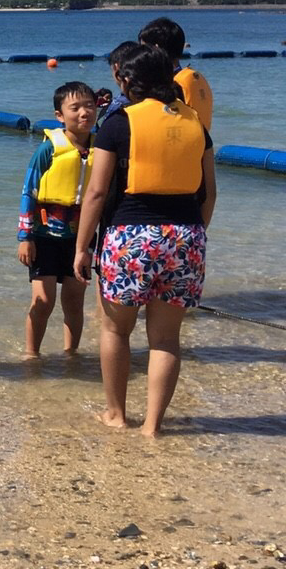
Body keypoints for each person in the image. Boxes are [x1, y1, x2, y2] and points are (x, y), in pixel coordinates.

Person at [74, 44, 216, 437]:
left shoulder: (118, 123)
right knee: (167, 338)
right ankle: (153, 427)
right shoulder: (195, 124)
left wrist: (82, 246)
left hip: (131, 236)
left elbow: (97, 193)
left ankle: (116, 415)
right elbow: (210, 194)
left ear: (125, 81)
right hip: (186, 235)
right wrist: (193, 236)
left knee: (116, 330)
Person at [16, 81, 97, 358]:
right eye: (75, 108)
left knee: (74, 301)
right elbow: (28, 192)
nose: (84, 113)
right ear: (60, 115)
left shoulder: (102, 149)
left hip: (82, 238)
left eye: (90, 106)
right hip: (44, 236)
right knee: (43, 301)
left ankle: (70, 354)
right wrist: (24, 238)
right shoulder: (48, 149)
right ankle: (31, 354)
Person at [139, 16, 213, 129]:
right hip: (201, 143)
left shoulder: (171, 87)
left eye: (143, 49)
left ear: (156, 49)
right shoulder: (195, 78)